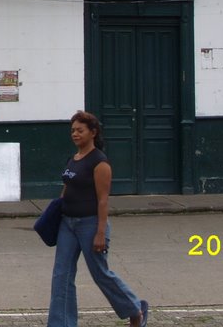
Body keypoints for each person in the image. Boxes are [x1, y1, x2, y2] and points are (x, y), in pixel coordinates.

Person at [47, 111, 148, 327]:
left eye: (80, 130)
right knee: (61, 276)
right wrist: (55, 216)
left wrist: (100, 232)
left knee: (100, 273)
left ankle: (135, 310)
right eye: (73, 130)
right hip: (67, 224)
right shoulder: (72, 159)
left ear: (93, 133)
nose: (75, 134)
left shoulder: (100, 162)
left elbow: (103, 200)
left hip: (90, 224)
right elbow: (66, 189)